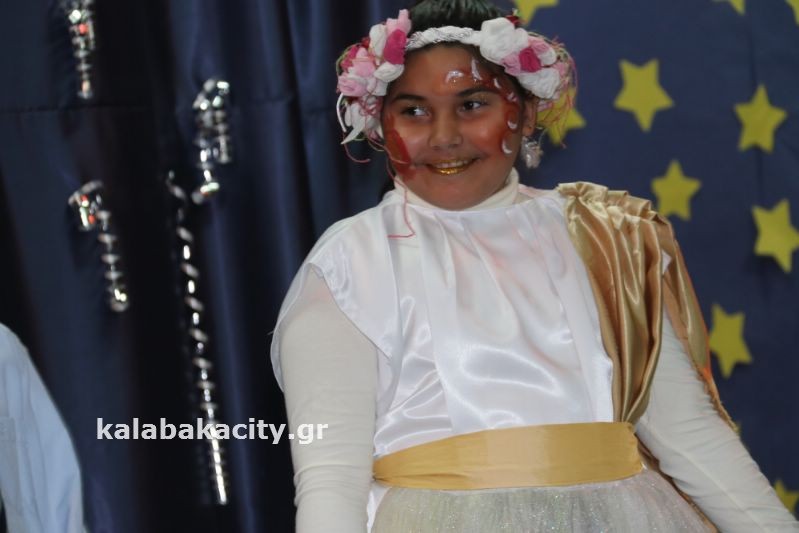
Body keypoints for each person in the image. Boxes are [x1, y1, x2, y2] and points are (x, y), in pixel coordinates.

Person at [270, 1, 799, 531]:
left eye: (472, 104)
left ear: (525, 112)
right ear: (379, 124)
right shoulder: (352, 264)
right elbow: (330, 480)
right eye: (413, 111)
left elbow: (690, 437)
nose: (444, 135)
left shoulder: (603, 239)